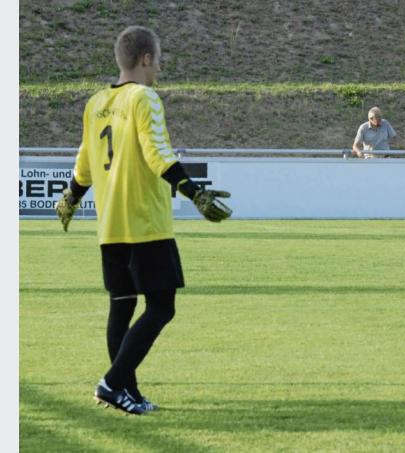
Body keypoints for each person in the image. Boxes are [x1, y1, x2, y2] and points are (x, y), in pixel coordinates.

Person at [55, 25, 233, 415]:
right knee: (161, 307)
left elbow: (84, 165)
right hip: (144, 223)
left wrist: (70, 197)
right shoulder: (144, 97)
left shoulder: (95, 102)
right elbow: (157, 153)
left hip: (110, 227)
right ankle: (112, 383)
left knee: (122, 306)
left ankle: (127, 393)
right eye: (159, 59)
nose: (160, 66)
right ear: (146, 59)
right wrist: (194, 192)